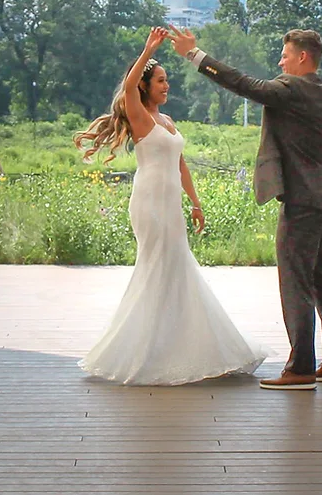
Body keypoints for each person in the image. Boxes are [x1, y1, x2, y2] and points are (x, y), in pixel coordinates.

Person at [74, 26, 265, 385]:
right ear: (146, 86)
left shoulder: (168, 121)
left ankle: (180, 347)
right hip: (149, 204)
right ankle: (138, 351)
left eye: (167, 80)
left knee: (177, 268)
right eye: (160, 81)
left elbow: (181, 165)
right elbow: (128, 86)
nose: (166, 86)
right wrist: (148, 49)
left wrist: (196, 203)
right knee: (157, 267)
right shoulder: (140, 115)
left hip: (172, 205)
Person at [170, 26, 322, 391]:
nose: (279, 62)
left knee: (295, 281)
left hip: (301, 202)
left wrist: (195, 55)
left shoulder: (292, 90)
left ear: (302, 58)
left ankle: (300, 368)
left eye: (284, 56)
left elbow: (244, 84)